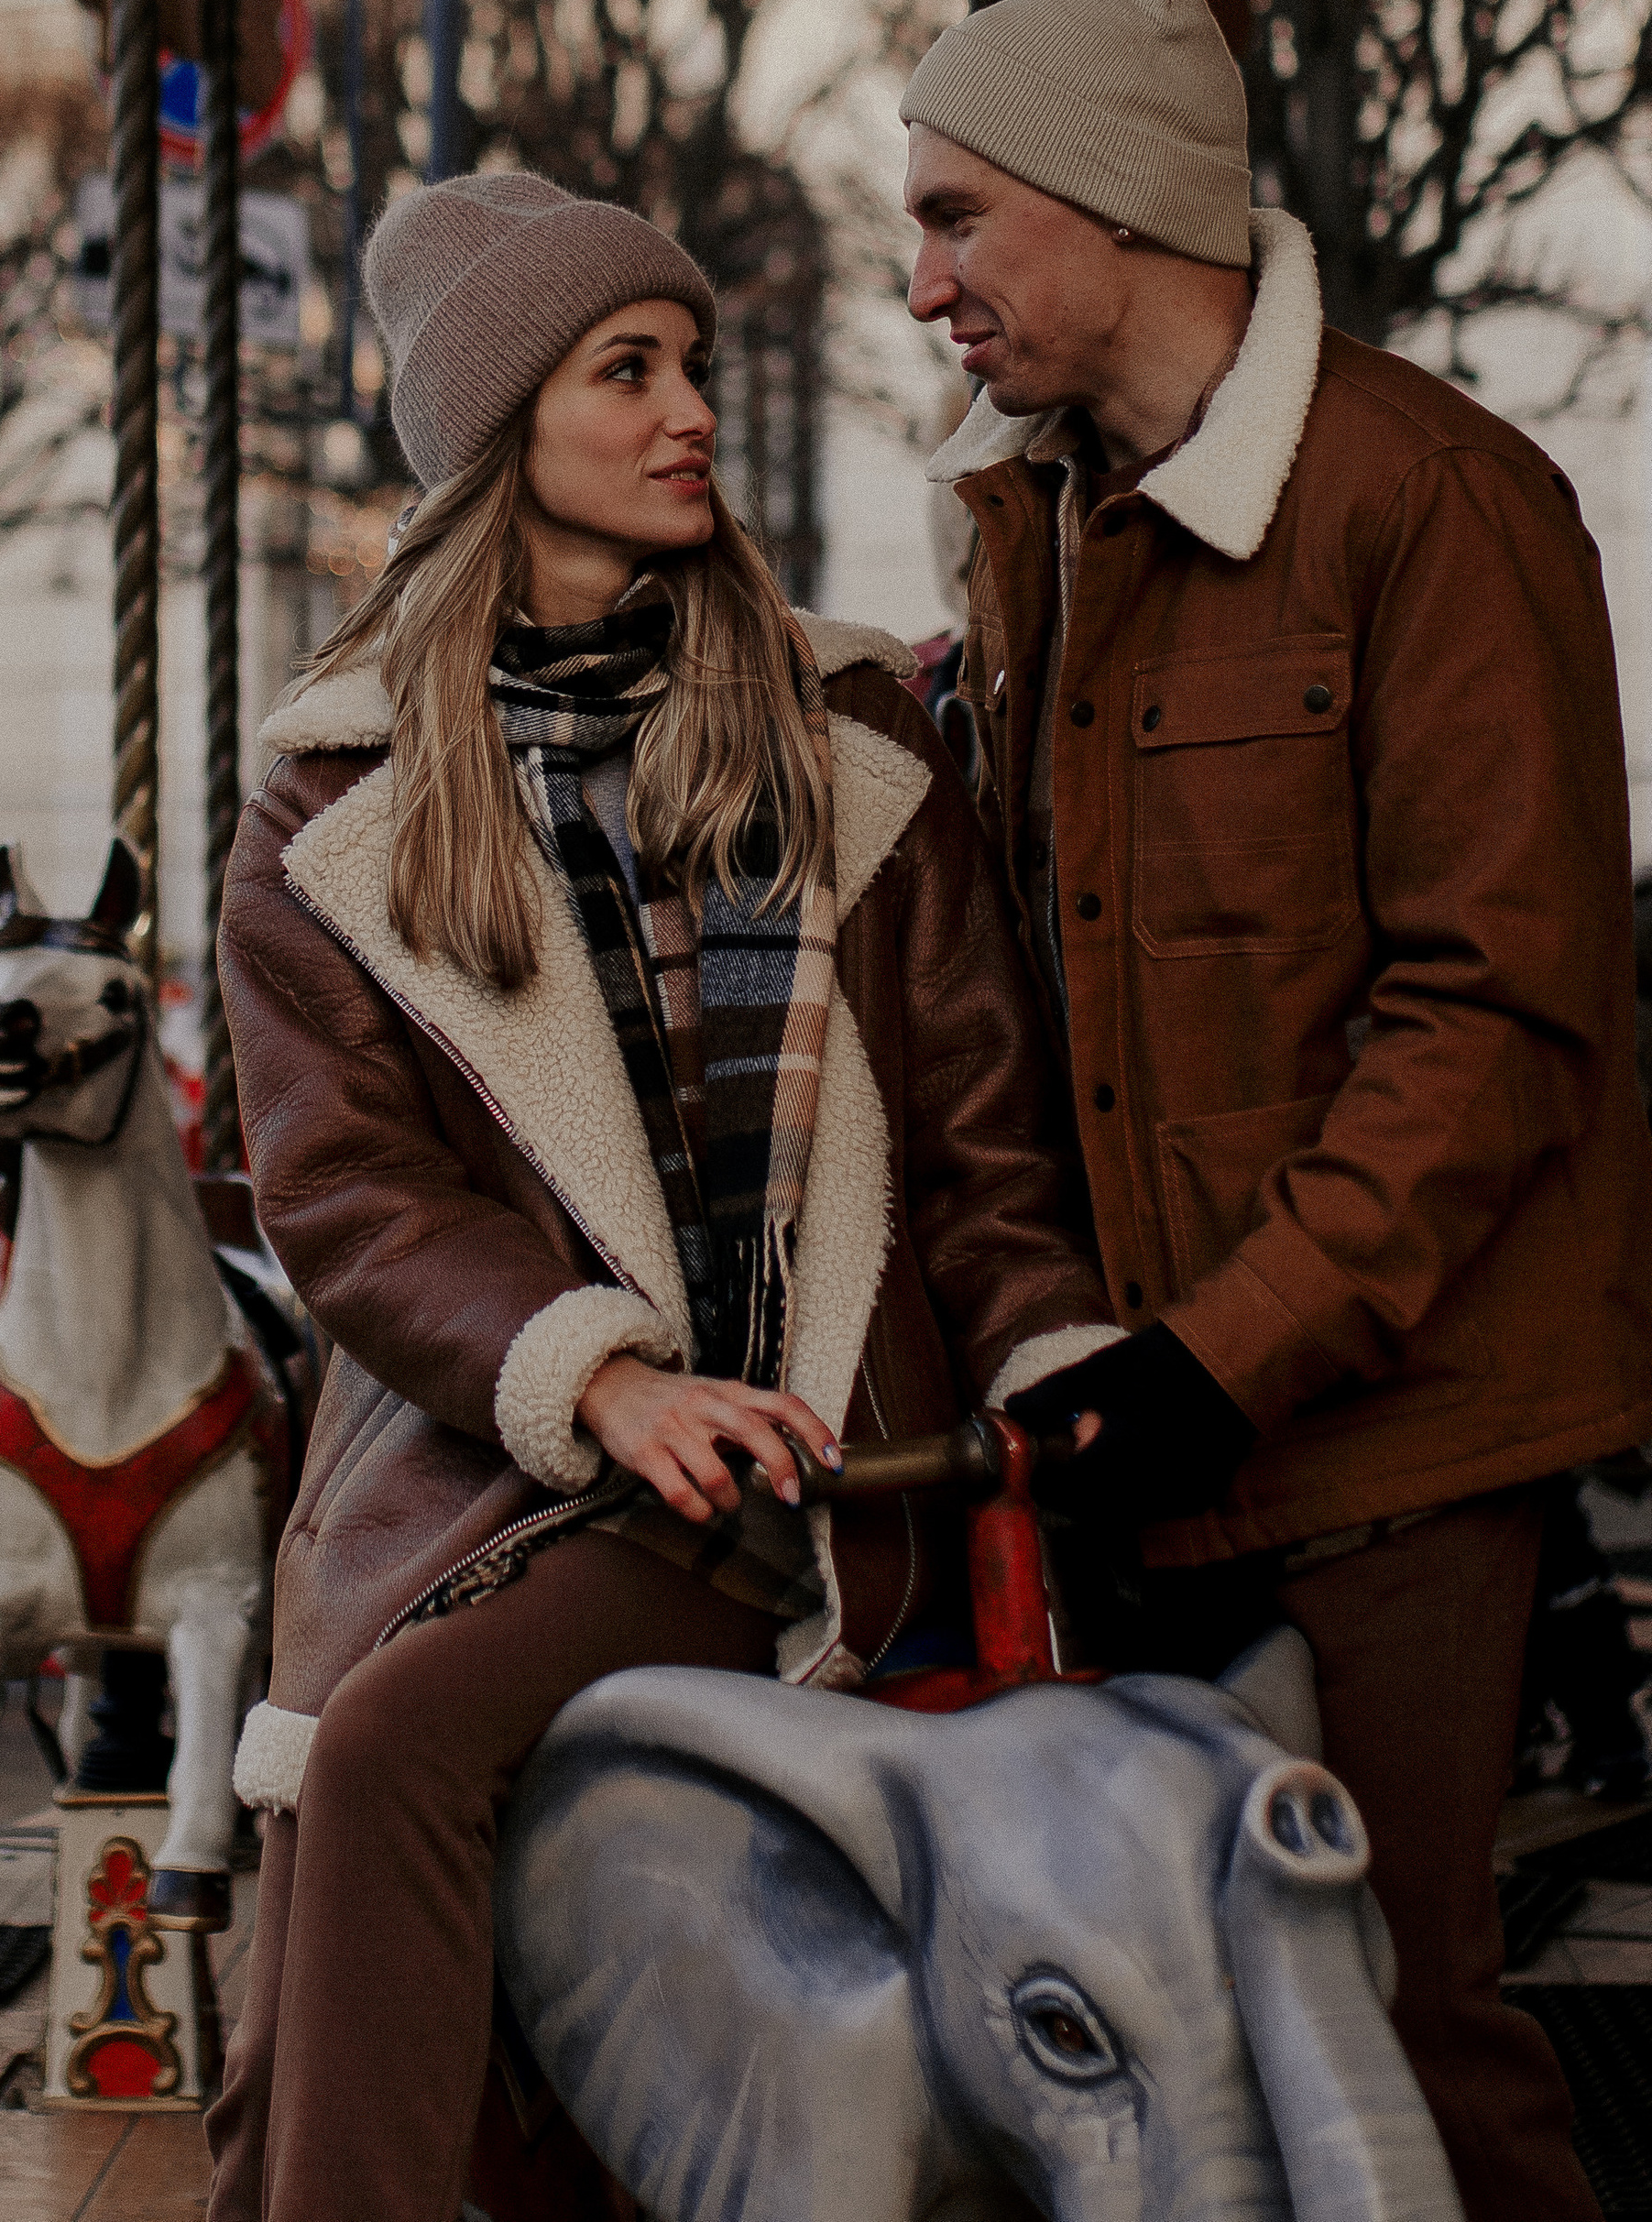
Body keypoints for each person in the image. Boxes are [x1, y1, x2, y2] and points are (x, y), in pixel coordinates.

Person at [209, 169, 1115, 2222]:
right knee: (361, 1785)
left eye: (692, 361)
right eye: (627, 369)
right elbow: (341, 1199)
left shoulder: (845, 732)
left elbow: (978, 1136)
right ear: (500, 418)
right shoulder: (329, 810)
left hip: (799, 1464)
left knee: (390, 1763)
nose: (687, 406)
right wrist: (596, 1379)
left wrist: (1047, 1348)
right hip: (508, 1462)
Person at [897, 0, 1652, 2221]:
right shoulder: (1035, 528)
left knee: (1400, 2018)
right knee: (1192, 2034)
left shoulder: (1432, 502)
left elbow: (1496, 1014)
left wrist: (1216, 1365)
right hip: (1158, 1416)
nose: (916, 274)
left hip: (1394, 1431)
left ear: (1114, 204)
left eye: (954, 215)